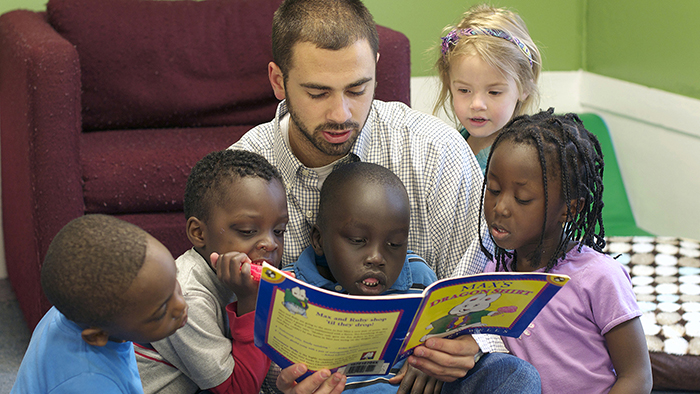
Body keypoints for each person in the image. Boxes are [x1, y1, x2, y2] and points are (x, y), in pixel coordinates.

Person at [230, 1, 541, 392]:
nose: (340, 113)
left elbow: (484, 288)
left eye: (358, 88)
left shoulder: (435, 151)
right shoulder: (241, 176)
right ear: (278, 81)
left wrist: (466, 345)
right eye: (317, 92)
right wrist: (279, 382)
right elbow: (223, 329)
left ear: (376, 67)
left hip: (422, 382)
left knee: (513, 377)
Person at [480, 109, 653, 393]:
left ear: (570, 209)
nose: (501, 208)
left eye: (522, 199)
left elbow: (637, 377)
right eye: (494, 189)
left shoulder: (598, 277)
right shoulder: (492, 272)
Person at [135, 149, 289, 393]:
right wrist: (251, 303)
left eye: (279, 231)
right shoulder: (186, 298)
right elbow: (237, 390)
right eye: (248, 231)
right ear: (199, 233)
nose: (270, 244)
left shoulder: (247, 281)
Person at [284, 161, 440, 393]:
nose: (377, 257)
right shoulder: (289, 289)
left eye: (394, 244)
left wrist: (431, 360)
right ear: (319, 240)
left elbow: (449, 336)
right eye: (358, 240)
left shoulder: (418, 278)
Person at [11, 214, 188, 394]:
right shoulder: (90, 383)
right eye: (161, 312)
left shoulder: (80, 309)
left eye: (174, 280)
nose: (180, 304)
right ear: (97, 336)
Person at [433, 4, 541, 175]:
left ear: (524, 88)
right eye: (464, 90)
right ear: (449, 83)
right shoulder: (453, 143)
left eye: (494, 92)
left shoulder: (523, 160)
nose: (477, 104)